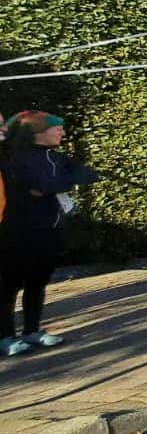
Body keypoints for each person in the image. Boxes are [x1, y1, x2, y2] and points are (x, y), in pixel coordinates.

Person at [1, 112, 98, 355]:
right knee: (9, 286)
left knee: (38, 282)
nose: (62, 133)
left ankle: (32, 331)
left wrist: (57, 181)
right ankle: (5, 337)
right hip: (17, 232)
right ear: (39, 132)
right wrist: (60, 181)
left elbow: (85, 174)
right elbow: (46, 184)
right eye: (57, 129)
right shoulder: (17, 159)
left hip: (49, 230)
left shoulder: (54, 156)